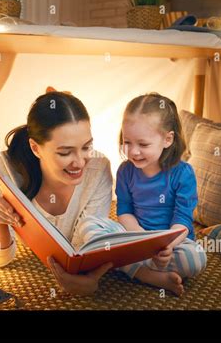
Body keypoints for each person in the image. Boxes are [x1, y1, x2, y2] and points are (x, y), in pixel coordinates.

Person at [0, 90, 114, 296]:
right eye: (65, 152)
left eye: (87, 147)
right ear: (35, 148)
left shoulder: (98, 169)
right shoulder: (5, 169)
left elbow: (88, 245)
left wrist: (88, 277)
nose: (79, 162)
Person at [77, 93, 207, 296]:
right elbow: (124, 210)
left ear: (167, 139)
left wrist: (166, 247)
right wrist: (139, 239)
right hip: (134, 237)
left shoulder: (183, 174)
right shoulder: (125, 171)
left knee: (196, 258)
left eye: (143, 144)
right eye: (127, 142)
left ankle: (128, 265)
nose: (134, 151)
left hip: (172, 243)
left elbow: (183, 220)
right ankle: (145, 274)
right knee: (87, 225)